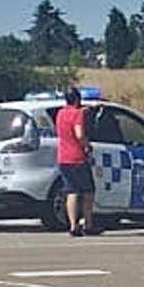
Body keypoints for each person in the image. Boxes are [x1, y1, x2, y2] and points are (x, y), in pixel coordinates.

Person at [55, 87, 97, 237]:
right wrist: (87, 145)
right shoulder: (77, 114)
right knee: (88, 191)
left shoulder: (60, 113)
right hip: (77, 157)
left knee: (71, 191)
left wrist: (86, 110)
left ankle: (73, 226)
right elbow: (79, 133)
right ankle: (88, 223)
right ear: (78, 99)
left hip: (63, 158)